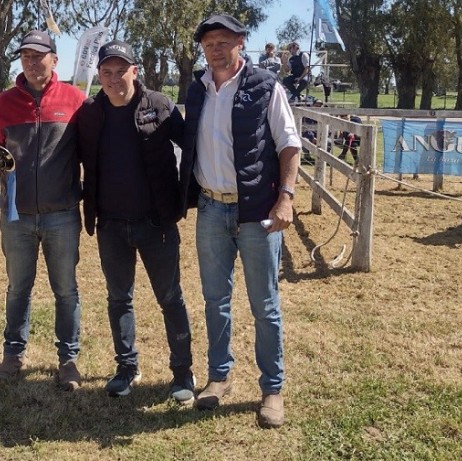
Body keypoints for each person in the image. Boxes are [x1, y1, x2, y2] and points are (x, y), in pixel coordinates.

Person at [179, 14, 301, 429]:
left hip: (256, 212)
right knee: (215, 300)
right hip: (211, 208)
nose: (215, 47)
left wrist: (285, 198)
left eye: (224, 40)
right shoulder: (196, 91)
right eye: (209, 41)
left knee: (264, 305)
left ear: (241, 43)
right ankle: (219, 376)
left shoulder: (267, 86)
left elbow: (289, 145)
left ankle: (272, 388)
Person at [76, 40, 196, 403]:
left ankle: (183, 373)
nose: (114, 79)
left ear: (135, 71)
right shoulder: (90, 113)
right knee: (118, 299)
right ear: (99, 75)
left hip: (155, 224)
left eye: (121, 70)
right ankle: (127, 368)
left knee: (170, 298)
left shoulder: (159, 106)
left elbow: (193, 147)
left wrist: (186, 198)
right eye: (107, 72)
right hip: (111, 226)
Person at [0, 30, 87, 392]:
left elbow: (95, 150)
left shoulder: (76, 100)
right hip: (17, 214)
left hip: (63, 213)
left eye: (39, 56)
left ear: (55, 60)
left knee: (66, 290)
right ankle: (13, 355)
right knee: (17, 288)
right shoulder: (4, 102)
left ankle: (68, 360)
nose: (33, 63)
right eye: (26, 57)